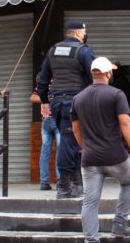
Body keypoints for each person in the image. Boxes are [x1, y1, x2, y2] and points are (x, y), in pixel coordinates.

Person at [71, 56, 130, 243]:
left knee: (90, 202)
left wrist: (85, 147)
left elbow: (76, 130)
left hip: (90, 159)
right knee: (128, 182)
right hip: (115, 156)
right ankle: (119, 224)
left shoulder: (78, 98)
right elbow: (125, 123)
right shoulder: (116, 94)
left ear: (93, 73)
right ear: (108, 73)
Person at [37, 20, 95, 199]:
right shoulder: (83, 51)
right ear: (78, 33)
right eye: (83, 32)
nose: (84, 35)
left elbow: (43, 79)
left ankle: (77, 183)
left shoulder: (53, 50)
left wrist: (44, 101)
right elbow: (94, 76)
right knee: (69, 141)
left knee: (75, 140)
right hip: (76, 101)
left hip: (57, 102)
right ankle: (64, 186)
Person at [29, 87, 60, 190]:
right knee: (60, 152)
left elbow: (33, 97)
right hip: (56, 120)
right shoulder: (58, 82)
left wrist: (45, 99)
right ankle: (60, 182)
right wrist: (48, 99)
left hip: (46, 121)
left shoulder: (43, 85)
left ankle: (44, 182)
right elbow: (32, 98)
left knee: (45, 153)